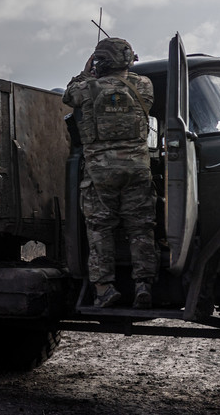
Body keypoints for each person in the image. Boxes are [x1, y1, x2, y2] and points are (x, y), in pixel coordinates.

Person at [62, 37, 158, 309]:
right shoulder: (144, 86)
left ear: (101, 62)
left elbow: (68, 94)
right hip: (137, 169)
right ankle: (143, 285)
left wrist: (86, 71)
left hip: (101, 172)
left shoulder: (87, 88)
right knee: (140, 228)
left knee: (100, 229)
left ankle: (104, 289)